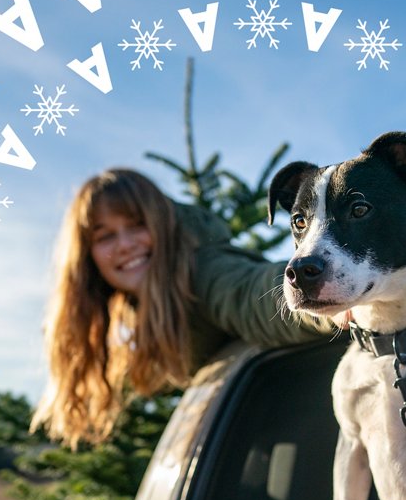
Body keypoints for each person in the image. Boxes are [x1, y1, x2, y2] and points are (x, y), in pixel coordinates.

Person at [32, 168, 334, 447]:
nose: (124, 244)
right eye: (105, 236)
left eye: (137, 225)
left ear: (162, 225)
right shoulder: (141, 314)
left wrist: (331, 299)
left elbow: (250, 294)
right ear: (88, 257)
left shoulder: (204, 271)